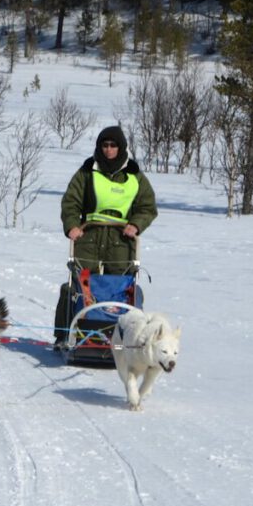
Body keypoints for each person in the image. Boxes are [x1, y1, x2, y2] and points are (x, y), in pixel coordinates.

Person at [54, 125, 158, 345]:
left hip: (121, 241)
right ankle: (64, 334)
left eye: (113, 145)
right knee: (78, 287)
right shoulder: (87, 172)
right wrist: (72, 225)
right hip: (88, 236)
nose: (109, 149)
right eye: (105, 145)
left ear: (121, 148)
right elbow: (71, 201)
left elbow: (148, 207)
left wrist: (136, 225)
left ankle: (122, 337)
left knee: (120, 290)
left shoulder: (134, 176)